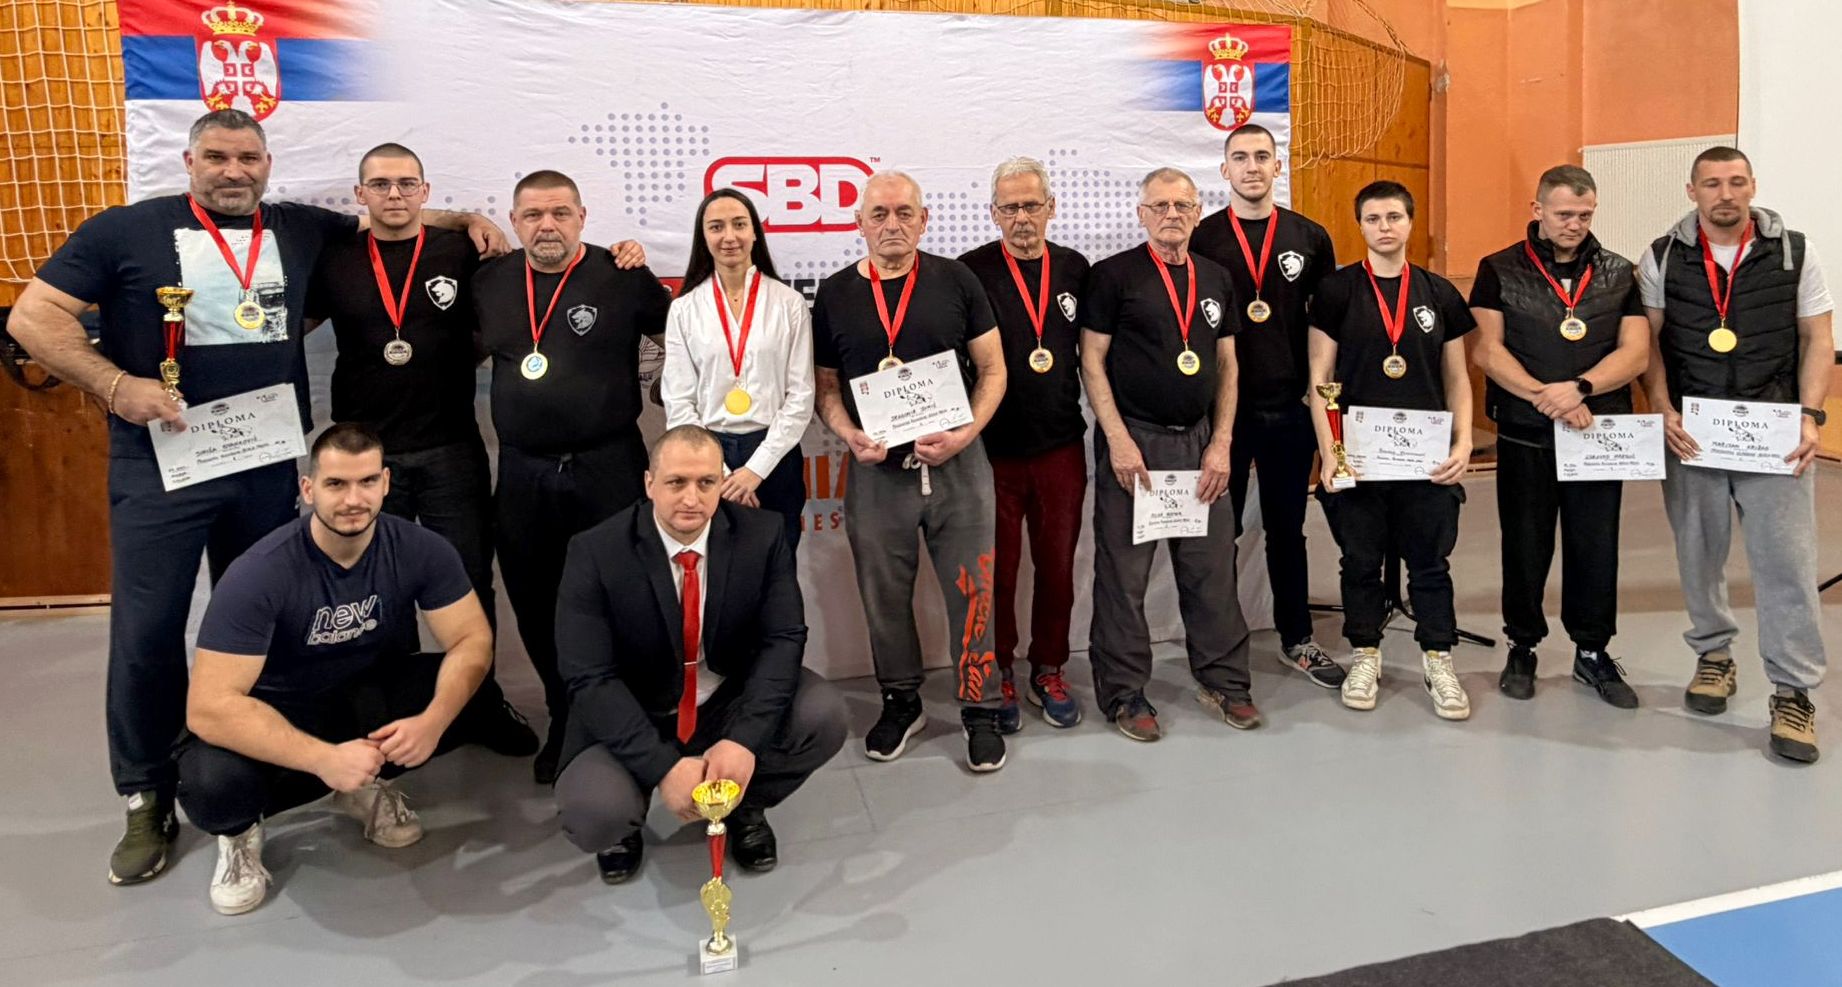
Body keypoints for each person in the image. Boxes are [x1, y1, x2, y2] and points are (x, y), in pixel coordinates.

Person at [6, 108, 505, 886]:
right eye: (216, 157)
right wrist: (115, 383)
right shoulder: (125, 229)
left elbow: (388, 211)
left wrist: (467, 217)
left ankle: (317, 761)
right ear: (189, 161)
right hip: (163, 465)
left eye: (248, 158)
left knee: (290, 626)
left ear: (268, 163)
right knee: (149, 629)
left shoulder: (298, 227)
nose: (233, 171)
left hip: (265, 462)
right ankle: (146, 791)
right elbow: (33, 315)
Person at [175, 423, 494, 914]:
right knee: (212, 787)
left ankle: (364, 784)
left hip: (359, 698)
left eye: (366, 482)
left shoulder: (419, 548)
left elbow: (472, 640)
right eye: (336, 484)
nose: (353, 500)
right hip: (276, 710)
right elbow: (208, 708)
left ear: (386, 483)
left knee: (471, 695)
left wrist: (432, 722)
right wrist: (322, 759)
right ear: (308, 490)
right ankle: (240, 834)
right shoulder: (260, 571)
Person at [305, 142, 535, 752]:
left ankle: (481, 704)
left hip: (449, 448)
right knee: (374, 590)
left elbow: (507, 309)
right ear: (360, 195)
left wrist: (469, 219)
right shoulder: (334, 258)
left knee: (469, 582)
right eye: (380, 185)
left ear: (425, 192)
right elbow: (290, 328)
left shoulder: (459, 250)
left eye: (407, 184)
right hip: (366, 459)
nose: (395, 195)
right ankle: (387, 714)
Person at [553, 426, 845, 884]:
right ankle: (624, 828)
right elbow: (588, 677)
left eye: (706, 482)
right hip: (638, 708)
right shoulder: (594, 551)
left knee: (823, 714)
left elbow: (783, 639)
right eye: (676, 482)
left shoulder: (761, 534)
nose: (692, 498)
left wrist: (743, 741)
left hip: (722, 699)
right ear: (649, 483)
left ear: (721, 482)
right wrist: (663, 767)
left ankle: (743, 806)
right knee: (595, 813)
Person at [473, 169, 673, 784]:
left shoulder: (622, 274)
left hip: (609, 463)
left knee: (627, 595)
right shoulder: (489, 282)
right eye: (533, 215)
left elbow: (687, 338)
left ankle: (634, 716)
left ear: (582, 217)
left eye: (560, 213)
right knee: (536, 603)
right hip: (524, 472)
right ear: (514, 221)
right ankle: (567, 716)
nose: (547, 225)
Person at [810, 171, 1011, 771]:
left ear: (924, 220)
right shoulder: (836, 293)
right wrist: (848, 434)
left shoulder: (957, 280)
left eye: (904, 213)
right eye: (879, 214)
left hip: (959, 466)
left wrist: (964, 435)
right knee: (883, 597)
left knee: (974, 591)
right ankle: (902, 701)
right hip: (877, 473)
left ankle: (980, 707)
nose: (892, 224)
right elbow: (826, 388)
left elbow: (994, 370)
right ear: (859, 222)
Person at [1638, 146, 1832, 763]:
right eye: (1712, 183)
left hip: (1774, 434)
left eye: (1736, 182)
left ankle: (1794, 691)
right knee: (1699, 556)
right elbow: (1650, 343)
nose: (1725, 194)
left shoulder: (1795, 252)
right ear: (1691, 190)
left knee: (1787, 564)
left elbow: (1817, 337)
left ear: (1752, 186)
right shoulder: (1662, 256)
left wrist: (1809, 416)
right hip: (1693, 434)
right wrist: (1662, 408)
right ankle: (1714, 655)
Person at [1081, 166, 1253, 742]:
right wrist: (1117, 439)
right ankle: (1125, 692)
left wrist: (1221, 442)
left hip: (1200, 443)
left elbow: (1227, 364)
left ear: (1198, 212)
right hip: (1137, 443)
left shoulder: (1216, 277)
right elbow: (1091, 361)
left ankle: (1225, 681)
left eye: (1182, 205)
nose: (1171, 215)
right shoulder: (1113, 276)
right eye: (1160, 205)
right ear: (1141, 214)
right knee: (1123, 579)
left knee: (1212, 571)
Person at [1469, 164, 1650, 706]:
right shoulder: (1498, 268)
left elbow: (1636, 352)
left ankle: (1592, 651)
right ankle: (1522, 645)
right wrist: (1543, 397)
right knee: (1525, 545)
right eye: (1565, 213)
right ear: (1538, 210)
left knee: (1595, 545)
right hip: (1526, 431)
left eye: (1585, 215)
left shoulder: (1620, 273)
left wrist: (1580, 389)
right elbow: (1486, 349)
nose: (1575, 224)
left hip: (1597, 432)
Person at [1307, 180, 1476, 720]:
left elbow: (1457, 378)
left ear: (1410, 222)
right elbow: (1320, 377)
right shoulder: (1336, 292)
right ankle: (1365, 653)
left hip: (1424, 459)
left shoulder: (1439, 294)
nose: (1385, 227)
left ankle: (1438, 659)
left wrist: (1464, 441)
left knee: (1430, 563)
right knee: (1360, 561)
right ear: (1360, 225)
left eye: (1395, 217)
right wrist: (1331, 451)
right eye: (1374, 218)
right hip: (1359, 459)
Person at [1190, 124, 1344, 689]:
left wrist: (1324, 407)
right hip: (1222, 415)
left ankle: (1297, 638)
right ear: (1224, 169)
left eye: (1262, 156)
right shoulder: (1203, 238)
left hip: (1288, 408)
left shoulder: (1310, 237)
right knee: (1217, 534)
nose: (1251, 166)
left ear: (1278, 167)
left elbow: (1328, 328)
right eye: (1240, 157)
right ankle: (1217, 641)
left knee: (1287, 529)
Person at [956, 157, 1090, 731]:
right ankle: (1001, 670)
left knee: (1057, 567)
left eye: (1031, 205)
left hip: (1061, 445)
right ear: (993, 213)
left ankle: (1049, 668)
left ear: (1051, 207)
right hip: (993, 450)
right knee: (1000, 572)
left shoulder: (1076, 268)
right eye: (1009, 207)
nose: (1021, 217)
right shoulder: (969, 272)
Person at [662, 188, 814, 552]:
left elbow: (801, 395)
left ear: (755, 233)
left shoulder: (789, 303)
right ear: (703, 237)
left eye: (739, 224)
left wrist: (756, 470)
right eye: (716, 227)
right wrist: (720, 474)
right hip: (707, 455)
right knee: (718, 570)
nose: (729, 236)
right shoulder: (685, 309)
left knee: (778, 564)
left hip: (775, 455)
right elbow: (678, 401)